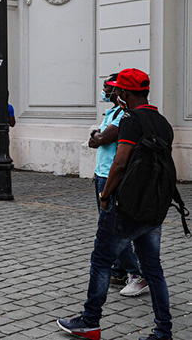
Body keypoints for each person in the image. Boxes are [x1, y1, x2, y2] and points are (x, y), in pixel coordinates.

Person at [58, 68, 175, 340]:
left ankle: (90, 322)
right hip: (153, 206)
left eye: (119, 90)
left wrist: (105, 196)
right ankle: (163, 330)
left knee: (100, 261)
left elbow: (121, 161)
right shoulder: (162, 122)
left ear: (123, 92)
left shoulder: (130, 120)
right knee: (153, 269)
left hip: (126, 206)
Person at [87, 73, 146, 297]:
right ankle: (120, 272)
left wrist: (96, 135)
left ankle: (136, 274)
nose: (103, 92)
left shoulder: (124, 115)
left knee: (112, 228)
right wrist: (97, 136)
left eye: (106, 88)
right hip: (101, 173)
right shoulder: (111, 112)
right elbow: (97, 139)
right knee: (111, 224)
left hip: (112, 176)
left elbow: (101, 139)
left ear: (118, 91)